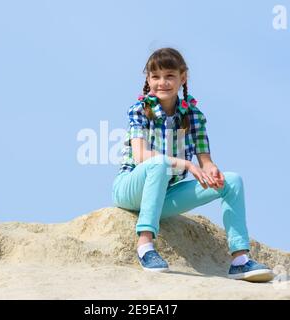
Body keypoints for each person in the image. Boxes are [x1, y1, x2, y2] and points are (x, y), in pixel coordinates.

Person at [112, 48, 274, 282]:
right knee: (158, 164)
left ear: (183, 77)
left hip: (165, 196)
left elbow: (206, 162)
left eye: (169, 76)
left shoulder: (194, 116)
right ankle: (145, 246)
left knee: (232, 181)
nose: (162, 83)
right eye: (155, 76)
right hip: (131, 188)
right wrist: (184, 164)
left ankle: (240, 260)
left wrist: (212, 172)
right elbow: (140, 155)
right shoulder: (140, 110)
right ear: (147, 79)